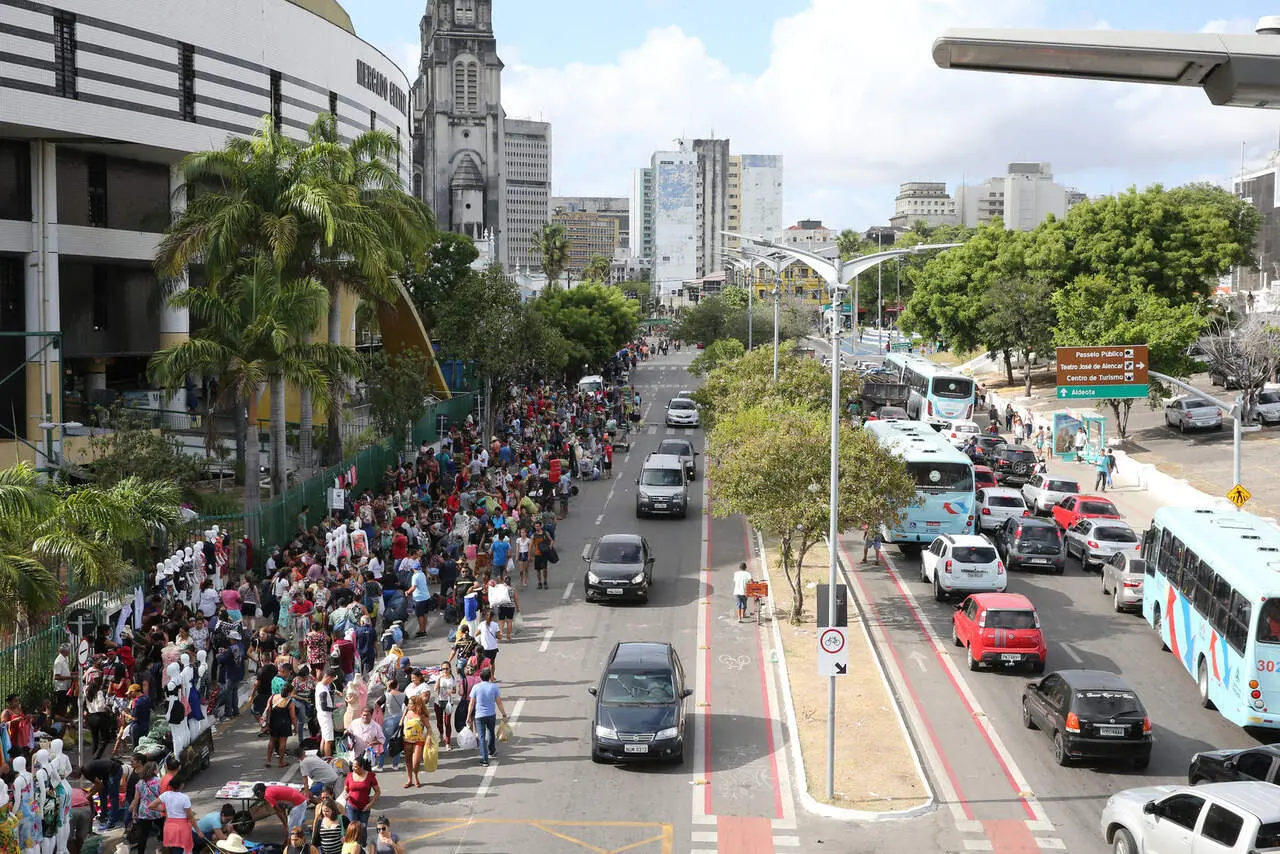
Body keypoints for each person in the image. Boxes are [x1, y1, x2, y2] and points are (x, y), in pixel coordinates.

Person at [467, 668, 507, 767]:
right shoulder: (494, 687)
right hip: (491, 714)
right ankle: (491, 750)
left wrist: (468, 716)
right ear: (490, 677)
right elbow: (499, 702)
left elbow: (471, 703)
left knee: (481, 736)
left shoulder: (476, 687)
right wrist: (504, 714)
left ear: (480, 677)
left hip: (479, 715)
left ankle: (484, 759)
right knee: (491, 732)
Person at [148, 776, 196, 854]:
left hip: (169, 828)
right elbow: (190, 817)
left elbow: (151, 806)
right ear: (181, 785)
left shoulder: (165, 795)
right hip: (182, 828)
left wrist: (163, 810)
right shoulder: (185, 798)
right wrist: (198, 830)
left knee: (175, 849)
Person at [341, 756, 379, 838]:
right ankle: (353, 844)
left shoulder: (370, 776)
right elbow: (345, 790)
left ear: (362, 767)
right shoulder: (349, 775)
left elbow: (377, 792)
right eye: (352, 766)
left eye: (355, 766)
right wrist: (345, 794)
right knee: (353, 828)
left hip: (365, 807)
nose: (353, 768)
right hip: (351, 806)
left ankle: (363, 844)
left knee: (363, 828)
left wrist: (370, 804)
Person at [399, 696, 431, 789]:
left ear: (417, 704)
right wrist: (402, 719)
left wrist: (429, 738)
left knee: (416, 761)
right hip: (407, 739)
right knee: (408, 760)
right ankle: (409, 780)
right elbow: (400, 724)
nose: (409, 705)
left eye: (411, 704)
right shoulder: (406, 712)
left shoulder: (422, 715)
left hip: (419, 740)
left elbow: (429, 728)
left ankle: (416, 776)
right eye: (408, 704)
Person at [266, 684, 298, 768]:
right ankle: (281, 762)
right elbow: (293, 717)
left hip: (273, 722)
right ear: (289, 692)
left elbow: (268, 710)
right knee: (282, 743)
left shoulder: (272, 697)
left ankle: (268, 761)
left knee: (272, 741)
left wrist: (267, 723)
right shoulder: (290, 702)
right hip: (284, 724)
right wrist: (295, 727)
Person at [430, 661, 457, 750]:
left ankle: (448, 743)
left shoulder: (452, 678)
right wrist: (438, 678)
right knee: (439, 721)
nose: (445, 670)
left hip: (448, 702)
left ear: (450, 669)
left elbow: (455, 690)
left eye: (447, 668)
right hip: (438, 702)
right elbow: (435, 689)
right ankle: (441, 734)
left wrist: (451, 691)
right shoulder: (439, 677)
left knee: (447, 722)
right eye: (443, 669)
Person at [404, 550, 431, 639]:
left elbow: (413, 587)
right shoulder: (422, 574)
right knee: (425, 614)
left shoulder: (415, 576)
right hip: (426, 597)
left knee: (420, 615)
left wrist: (407, 592)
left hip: (420, 599)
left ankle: (422, 631)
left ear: (413, 568)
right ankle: (424, 630)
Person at [315, 670, 338, 758]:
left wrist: (334, 692)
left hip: (321, 715)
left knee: (324, 738)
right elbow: (324, 707)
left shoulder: (320, 685)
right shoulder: (323, 690)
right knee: (328, 740)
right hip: (325, 717)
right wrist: (335, 708)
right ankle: (328, 759)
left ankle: (322, 757)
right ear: (328, 677)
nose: (331, 682)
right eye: (332, 680)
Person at [476, 609, 500, 678]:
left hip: (484, 648)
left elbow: (476, 634)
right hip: (493, 648)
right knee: (492, 663)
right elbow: (499, 637)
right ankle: (492, 677)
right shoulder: (495, 625)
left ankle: (484, 677)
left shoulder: (482, 624)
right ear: (493, 617)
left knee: (484, 663)